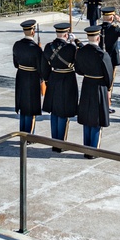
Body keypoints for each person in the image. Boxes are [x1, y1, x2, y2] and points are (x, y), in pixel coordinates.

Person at [74, 25, 113, 158]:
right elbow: (109, 76)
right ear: (98, 37)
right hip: (99, 86)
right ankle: (93, 151)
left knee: (87, 118)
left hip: (87, 84)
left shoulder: (81, 51)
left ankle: (86, 148)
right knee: (96, 120)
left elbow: (78, 70)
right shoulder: (102, 54)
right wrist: (108, 89)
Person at [42, 22, 80, 152]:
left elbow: (44, 66)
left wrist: (48, 79)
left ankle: (54, 141)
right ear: (67, 33)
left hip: (53, 78)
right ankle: (61, 144)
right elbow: (84, 56)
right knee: (63, 111)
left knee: (54, 111)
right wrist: (75, 41)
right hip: (67, 79)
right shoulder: (71, 48)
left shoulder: (48, 47)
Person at [12, 19, 46, 134]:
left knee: (23, 105)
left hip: (21, 76)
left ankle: (22, 131)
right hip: (32, 78)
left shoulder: (17, 45)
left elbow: (16, 64)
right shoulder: (36, 49)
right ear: (33, 32)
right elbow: (41, 68)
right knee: (31, 107)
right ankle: (29, 135)